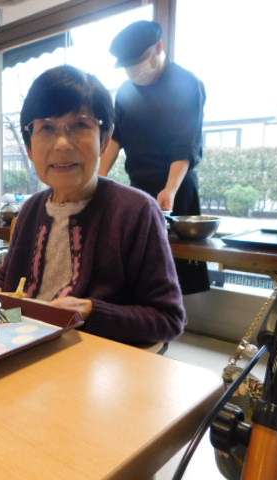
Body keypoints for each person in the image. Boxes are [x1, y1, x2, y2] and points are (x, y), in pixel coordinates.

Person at [0, 65, 185, 346]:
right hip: (18, 348)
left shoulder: (137, 211)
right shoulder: (30, 210)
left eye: (80, 125)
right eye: (46, 128)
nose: (61, 144)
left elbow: (168, 319)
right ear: (30, 146)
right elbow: (13, 303)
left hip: (94, 362)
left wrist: (92, 312)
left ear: (104, 139)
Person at [99, 20, 209, 294]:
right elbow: (115, 140)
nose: (134, 71)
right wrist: (95, 179)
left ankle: (174, 318)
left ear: (159, 47)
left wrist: (169, 190)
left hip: (177, 190)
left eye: (138, 62)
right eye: (128, 66)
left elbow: (185, 144)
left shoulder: (186, 84)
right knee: (139, 269)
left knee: (177, 274)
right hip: (140, 189)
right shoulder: (126, 93)